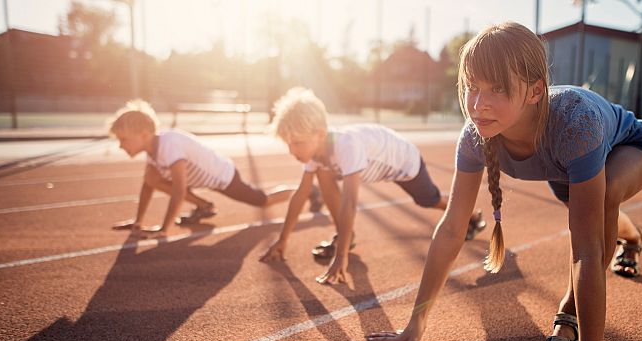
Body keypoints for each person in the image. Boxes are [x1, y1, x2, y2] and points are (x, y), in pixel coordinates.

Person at [367, 22, 642, 341]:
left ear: (536, 90)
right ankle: (631, 237)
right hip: (567, 168)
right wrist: (415, 323)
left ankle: (569, 311)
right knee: (594, 213)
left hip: (627, 148)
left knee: (604, 202)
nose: (479, 104)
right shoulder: (475, 136)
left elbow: (585, 252)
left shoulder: (574, 123)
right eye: (472, 87)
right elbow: (451, 229)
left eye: (498, 89)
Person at [259, 87, 487, 284]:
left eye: (297, 143)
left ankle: (472, 216)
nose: (292, 150)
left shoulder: (346, 146)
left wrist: (341, 257)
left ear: (320, 134)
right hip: (378, 159)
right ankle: (345, 236)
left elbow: (349, 203)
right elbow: (300, 195)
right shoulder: (315, 153)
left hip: (404, 161)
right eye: (288, 144)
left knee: (429, 200)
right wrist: (283, 239)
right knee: (323, 173)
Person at [108, 99, 297, 239]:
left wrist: (164, 229)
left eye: (123, 139)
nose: (120, 145)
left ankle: (302, 192)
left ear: (144, 135)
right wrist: (138, 222)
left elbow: (179, 189)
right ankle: (204, 206)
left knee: (263, 201)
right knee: (151, 178)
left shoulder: (169, 145)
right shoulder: (152, 150)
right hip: (201, 180)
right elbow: (148, 185)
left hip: (223, 177)